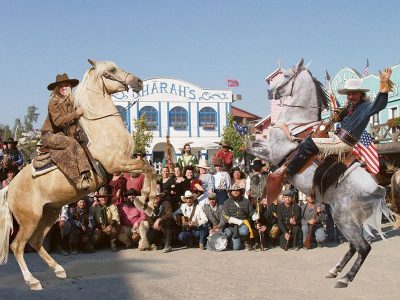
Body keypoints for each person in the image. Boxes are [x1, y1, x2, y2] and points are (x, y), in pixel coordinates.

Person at [284, 68, 393, 178]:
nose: (350, 97)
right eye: (348, 94)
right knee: (311, 135)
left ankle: (289, 173)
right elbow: (343, 119)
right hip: (338, 137)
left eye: (353, 94)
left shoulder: (366, 107)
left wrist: (384, 84)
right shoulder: (350, 107)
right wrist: (339, 115)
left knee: (309, 144)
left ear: (361, 94)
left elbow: (380, 105)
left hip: (343, 143)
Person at [40, 73, 92, 190]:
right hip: (49, 135)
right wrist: (76, 114)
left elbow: (73, 125)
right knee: (71, 143)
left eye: (66, 85)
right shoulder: (53, 102)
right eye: (61, 86)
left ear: (70, 87)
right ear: (57, 89)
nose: (64, 88)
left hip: (62, 136)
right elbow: (58, 122)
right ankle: (81, 178)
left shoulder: (73, 103)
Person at [222, 184, 255, 250]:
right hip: (232, 226)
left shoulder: (246, 201)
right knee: (235, 248)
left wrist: (256, 216)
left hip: (244, 223)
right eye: (233, 191)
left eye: (237, 190)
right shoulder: (226, 202)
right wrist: (237, 221)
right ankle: (233, 242)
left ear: (240, 192)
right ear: (231, 192)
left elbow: (251, 212)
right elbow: (225, 216)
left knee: (244, 231)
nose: (235, 192)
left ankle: (246, 242)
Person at [89, 187, 121, 252]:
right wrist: (95, 227)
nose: (103, 198)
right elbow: (91, 219)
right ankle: (102, 244)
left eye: (105, 196)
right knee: (95, 239)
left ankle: (113, 243)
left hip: (109, 227)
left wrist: (111, 225)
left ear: (107, 197)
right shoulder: (94, 207)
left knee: (115, 227)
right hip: (99, 227)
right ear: (98, 198)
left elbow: (116, 217)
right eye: (101, 197)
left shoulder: (112, 206)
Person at [147, 187, 175, 253]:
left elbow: (170, 215)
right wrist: (154, 226)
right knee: (149, 237)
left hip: (165, 227)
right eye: (154, 196)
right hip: (155, 227)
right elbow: (149, 220)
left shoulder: (166, 203)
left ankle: (167, 245)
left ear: (160, 197)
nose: (156, 197)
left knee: (169, 221)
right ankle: (160, 243)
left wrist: (159, 219)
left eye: (157, 196)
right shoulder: (149, 206)